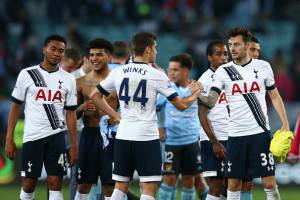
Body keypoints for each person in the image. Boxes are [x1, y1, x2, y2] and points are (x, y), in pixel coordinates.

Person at [89, 32, 202, 200]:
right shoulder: (156, 74)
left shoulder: (119, 71)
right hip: (146, 137)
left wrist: (116, 115)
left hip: (124, 135)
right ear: (148, 49)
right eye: (155, 48)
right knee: (148, 189)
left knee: (119, 188)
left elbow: (94, 95)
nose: (156, 51)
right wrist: (195, 94)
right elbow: (181, 105)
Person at [198, 27, 290, 200]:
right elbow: (211, 101)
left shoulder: (263, 67)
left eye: (237, 44)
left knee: (269, 183)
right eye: (230, 44)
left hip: (260, 133)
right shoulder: (223, 71)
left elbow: (275, 96)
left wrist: (285, 124)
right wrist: (197, 96)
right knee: (233, 184)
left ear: (247, 45)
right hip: (236, 136)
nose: (232, 48)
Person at [5, 34, 78, 200]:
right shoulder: (27, 74)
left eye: (61, 50)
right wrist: (9, 137)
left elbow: (71, 113)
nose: (57, 53)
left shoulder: (68, 79)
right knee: (29, 184)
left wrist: (74, 144)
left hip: (57, 137)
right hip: (33, 137)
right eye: (53, 48)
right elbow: (15, 107)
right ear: (44, 49)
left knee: (55, 183)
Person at [156, 54, 207, 200]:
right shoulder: (167, 89)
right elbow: (156, 108)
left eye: (175, 70)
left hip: (191, 141)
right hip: (171, 143)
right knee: (169, 180)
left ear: (185, 72)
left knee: (189, 181)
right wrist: (160, 126)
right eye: (169, 69)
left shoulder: (196, 87)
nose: (170, 73)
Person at [74, 38, 116, 200]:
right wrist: (82, 108)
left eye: (99, 54)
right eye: (92, 55)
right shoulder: (81, 81)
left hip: (111, 137)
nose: (94, 58)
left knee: (109, 186)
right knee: (84, 184)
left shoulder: (118, 80)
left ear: (109, 57)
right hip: (89, 135)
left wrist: (116, 118)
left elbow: (126, 110)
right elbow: (70, 113)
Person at [198, 40, 229, 200]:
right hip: (215, 138)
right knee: (216, 185)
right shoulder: (205, 80)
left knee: (230, 185)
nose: (224, 57)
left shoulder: (229, 76)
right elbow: (202, 113)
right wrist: (214, 142)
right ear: (210, 57)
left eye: (225, 53)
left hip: (230, 135)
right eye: (218, 54)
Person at [240, 35, 262, 200]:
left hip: (253, 133)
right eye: (253, 49)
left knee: (248, 182)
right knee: (227, 183)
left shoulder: (262, 70)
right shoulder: (228, 71)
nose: (256, 54)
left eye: (258, 51)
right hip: (231, 134)